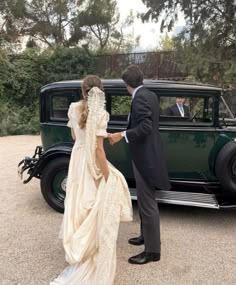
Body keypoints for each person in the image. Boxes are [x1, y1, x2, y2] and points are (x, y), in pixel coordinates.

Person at [50, 75, 132, 285]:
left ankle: (78, 248)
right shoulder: (101, 114)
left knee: (78, 202)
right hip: (90, 163)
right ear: (100, 92)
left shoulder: (73, 108)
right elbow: (98, 149)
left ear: (83, 91)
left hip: (77, 160)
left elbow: (75, 138)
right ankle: (88, 249)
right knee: (93, 202)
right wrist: (107, 175)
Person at [108, 65, 170, 265]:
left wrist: (122, 135)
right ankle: (145, 236)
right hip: (147, 155)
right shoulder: (150, 94)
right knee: (144, 200)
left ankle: (152, 251)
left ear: (127, 84)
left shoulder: (140, 98)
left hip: (146, 159)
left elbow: (145, 126)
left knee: (147, 203)